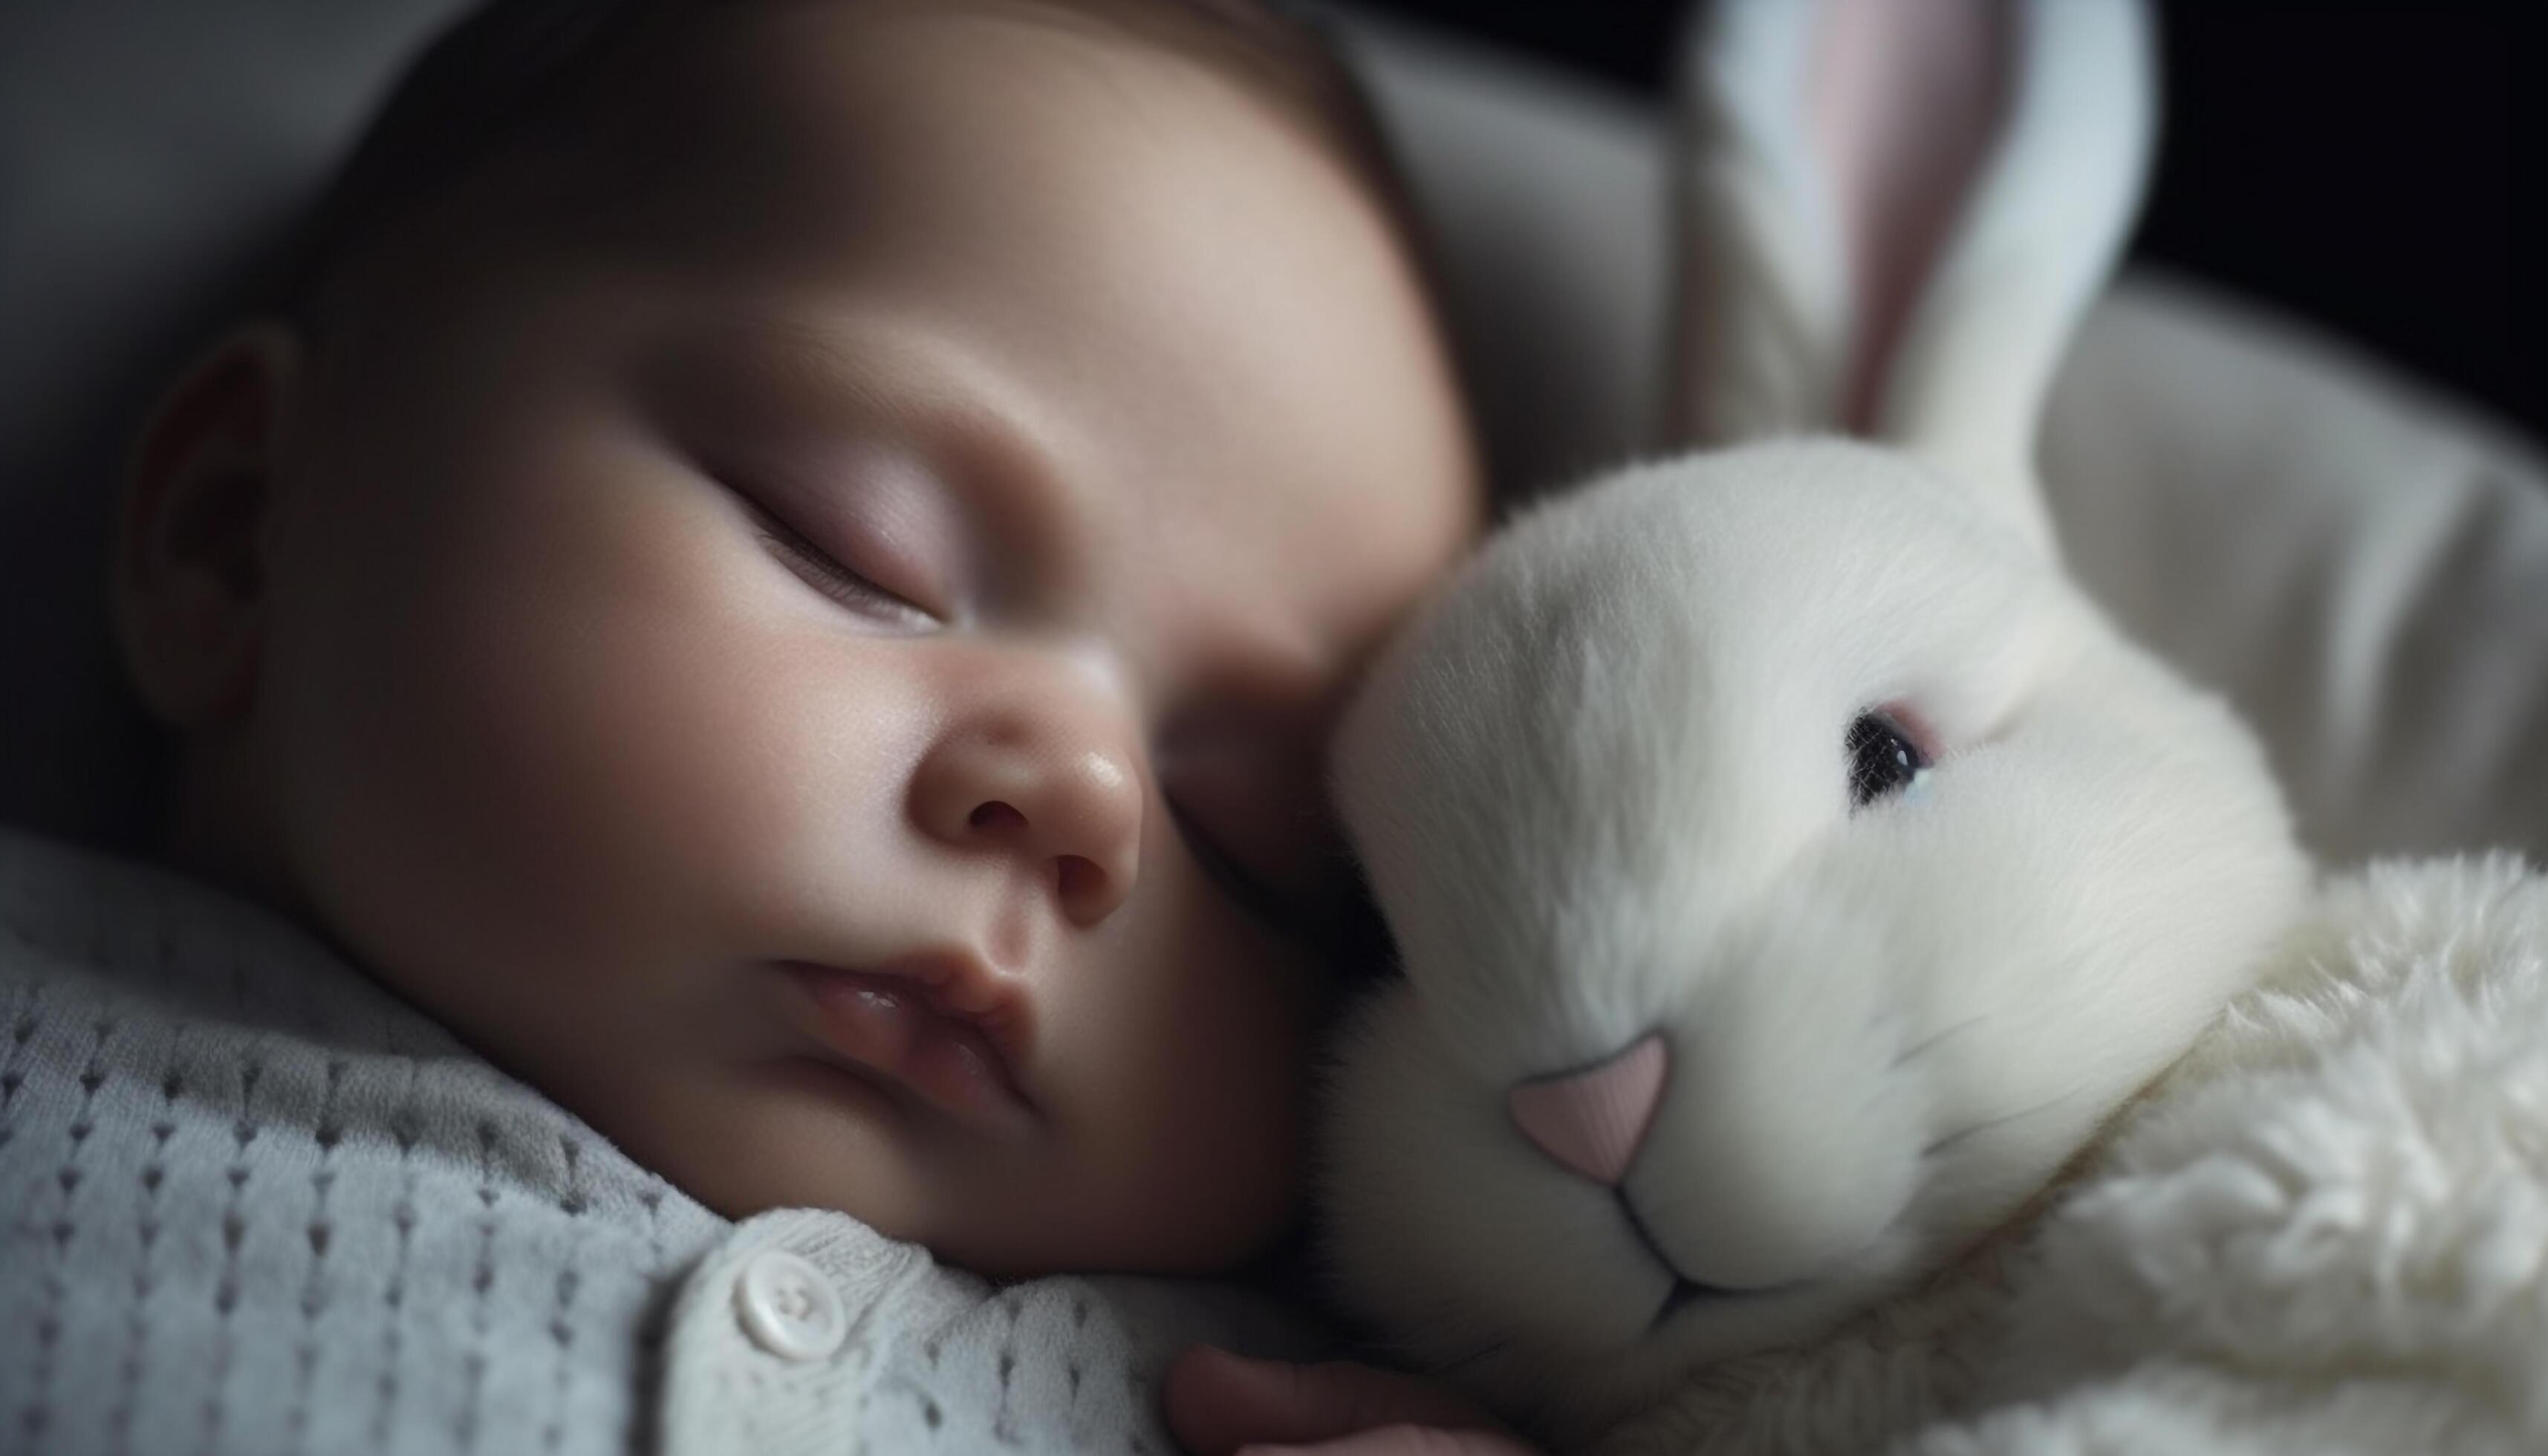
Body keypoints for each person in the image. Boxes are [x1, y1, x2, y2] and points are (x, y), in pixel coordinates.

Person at [0, 0, 1508, 1449]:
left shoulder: (1256, 1386)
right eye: (853, 552)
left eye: (1251, 850)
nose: (1086, 798)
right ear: (237, 528)